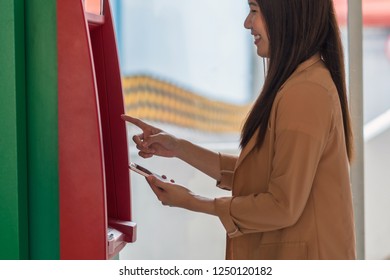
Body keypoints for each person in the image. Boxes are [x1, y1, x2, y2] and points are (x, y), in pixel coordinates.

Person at [122, 0, 356, 260]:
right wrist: (178, 147)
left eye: (254, 10)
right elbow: (262, 175)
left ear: (286, 13)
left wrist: (192, 201)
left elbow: (282, 205)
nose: (247, 23)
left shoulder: (305, 92)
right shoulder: (300, 82)